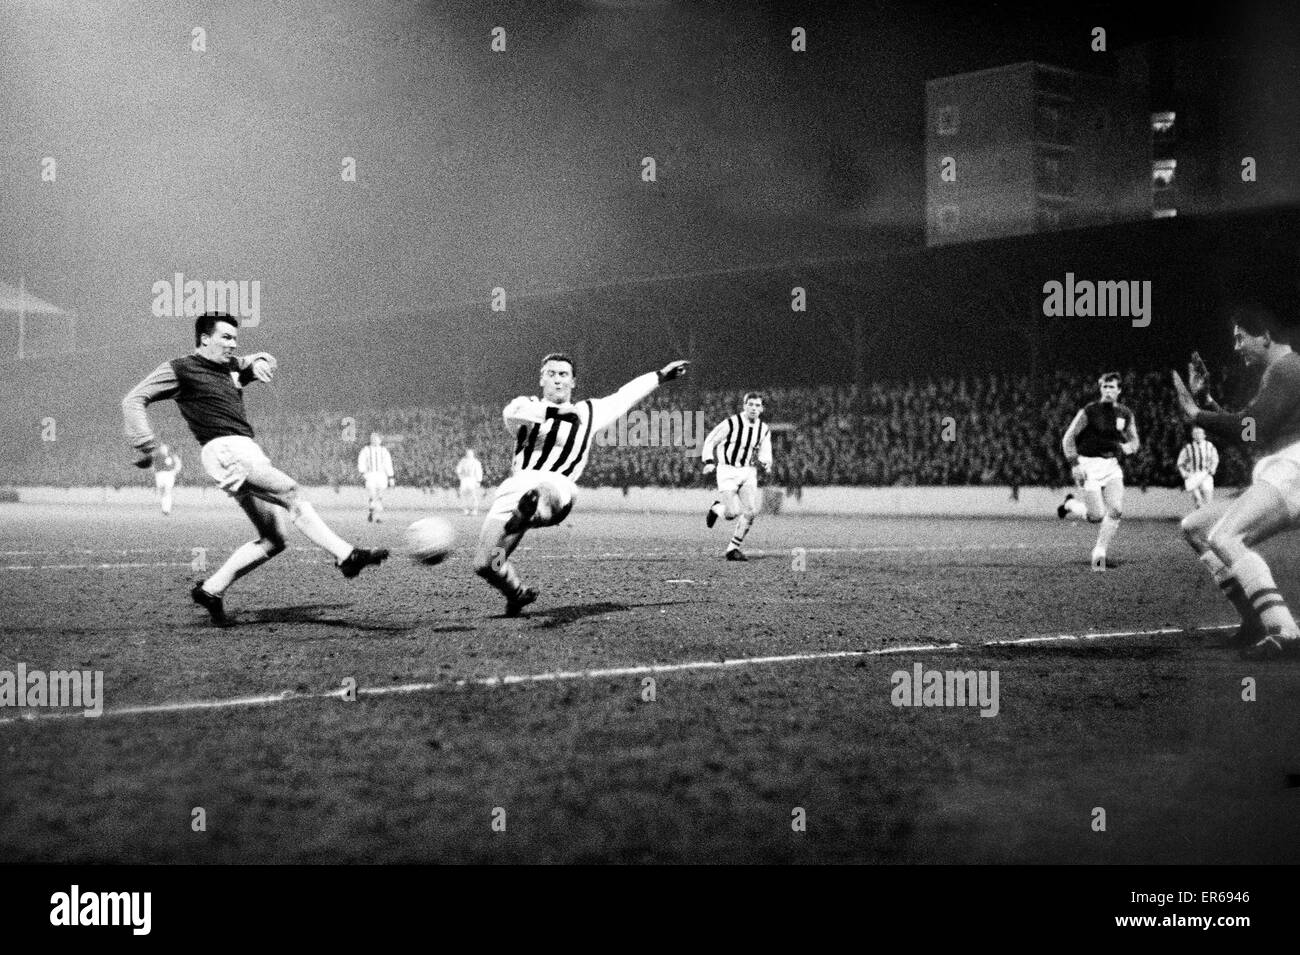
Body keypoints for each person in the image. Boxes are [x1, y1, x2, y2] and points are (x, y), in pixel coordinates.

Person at [122, 312, 388, 627]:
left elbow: (265, 360)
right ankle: (346, 555)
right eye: (225, 338)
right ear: (205, 338)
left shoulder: (231, 367)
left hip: (245, 450)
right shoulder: (181, 368)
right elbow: (133, 400)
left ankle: (211, 590)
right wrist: (147, 445)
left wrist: (261, 361)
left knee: (274, 539)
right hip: (225, 449)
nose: (232, 344)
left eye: (235, 339)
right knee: (292, 492)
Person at [472, 352, 689, 616]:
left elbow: (625, 395)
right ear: (541, 380)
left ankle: (530, 508)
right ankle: (516, 593)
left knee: (544, 490)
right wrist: (558, 412)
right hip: (516, 486)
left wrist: (661, 376)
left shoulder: (590, 411)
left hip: (558, 486)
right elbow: (512, 413)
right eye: (551, 374)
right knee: (488, 563)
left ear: (573, 382)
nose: (557, 380)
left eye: (563, 375)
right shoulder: (526, 405)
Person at [1173, 304, 1300, 659]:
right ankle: (1255, 621)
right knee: (1196, 527)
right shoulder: (1282, 371)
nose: (1236, 346)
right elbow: (1253, 429)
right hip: (1285, 468)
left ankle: (1284, 629)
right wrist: (1206, 400)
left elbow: (1251, 428)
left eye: (1241, 337)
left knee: (1226, 536)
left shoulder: (1288, 368)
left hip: (1294, 468)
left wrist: (1197, 414)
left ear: (1266, 337)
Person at [1056, 373, 1140, 571]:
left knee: (1116, 509)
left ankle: (1099, 553)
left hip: (1111, 466)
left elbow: (1134, 441)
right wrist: (1075, 464)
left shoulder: (1125, 414)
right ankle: (1070, 504)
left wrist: (1127, 448)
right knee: (1096, 516)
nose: (1108, 391)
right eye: (1105, 387)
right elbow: (1068, 438)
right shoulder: (1089, 411)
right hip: (1087, 466)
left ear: (1119, 390)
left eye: (1112, 387)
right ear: (1101, 389)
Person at [701, 393, 772, 561]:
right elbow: (710, 440)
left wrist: (765, 463)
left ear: (761, 409)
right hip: (727, 471)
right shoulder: (731, 423)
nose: (754, 408)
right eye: (751, 404)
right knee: (732, 513)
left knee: (751, 511)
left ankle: (733, 548)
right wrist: (709, 461)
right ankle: (716, 508)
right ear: (744, 406)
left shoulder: (764, 429)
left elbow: (765, 453)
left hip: (748, 471)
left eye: (757, 405)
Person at [1177, 426, 1219, 509]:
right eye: (1195, 434)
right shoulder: (1188, 448)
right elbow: (1180, 463)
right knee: (1198, 500)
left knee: (1208, 501)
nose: (1198, 435)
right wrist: (1184, 472)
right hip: (1193, 475)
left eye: (1199, 433)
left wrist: (1213, 468)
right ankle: (1199, 517)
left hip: (1206, 475)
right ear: (1192, 435)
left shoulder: (1209, 446)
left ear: (1204, 435)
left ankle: (1207, 518)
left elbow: (1215, 459)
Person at [357, 433, 395, 522]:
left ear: (380, 440)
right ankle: (373, 511)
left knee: (379, 495)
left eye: (377, 439)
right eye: (373, 439)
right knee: (373, 495)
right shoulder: (366, 450)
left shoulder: (384, 451)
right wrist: (363, 473)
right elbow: (361, 461)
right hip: (370, 475)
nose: (375, 440)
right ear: (371, 440)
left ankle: (377, 516)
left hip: (381, 475)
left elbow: (388, 464)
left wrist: (391, 477)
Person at [153, 443, 182, 516]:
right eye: (162, 448)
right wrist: (156, 473)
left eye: (164, 448)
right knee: (162, 492)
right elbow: (152, 466)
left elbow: (178, 464)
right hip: (160, 475)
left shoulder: (172, 456)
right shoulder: (157, 456)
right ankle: (164, 509)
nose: (163, 449)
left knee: (167, 492)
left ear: (167, 449)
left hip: (168, 475)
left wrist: (174, 472)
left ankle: (166, 510)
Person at [456, 449, 483, 515]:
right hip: (464, 480)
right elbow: (458, 470)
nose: (469, 455)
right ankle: (465, 510)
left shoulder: (476, 462)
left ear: (473, 454)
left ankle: (474, 510)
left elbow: (479, 472)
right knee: (464, 495)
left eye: (470, 454)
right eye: (468, 454)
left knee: (473, 495)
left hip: (472, 479)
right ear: (466, 454)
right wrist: (460, 476)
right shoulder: (462, 462)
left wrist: (478, 481)